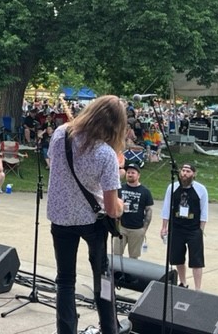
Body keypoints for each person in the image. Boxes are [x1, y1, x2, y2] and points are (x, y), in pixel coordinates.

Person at [47, 95, 127, 334]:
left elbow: (55, 164)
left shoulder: (60, 134)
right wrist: (121, 205)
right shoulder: (105, 153)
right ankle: (110, 328)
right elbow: (112, 209)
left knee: (65, 280)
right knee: (102, 277)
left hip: (60, 216)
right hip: (92, 221)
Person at [160, 163, 208, 290]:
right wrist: (164, 227)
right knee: (177, 258)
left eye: (188, 171)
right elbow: (166, 208)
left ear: (194, 174)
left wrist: (201, 230)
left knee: (196, 261)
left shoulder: (201, 189)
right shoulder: (172, 187)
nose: (185, 173)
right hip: (177, 228)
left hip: (193, 229)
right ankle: (183, 282)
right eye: (183, 170)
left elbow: (204, 212)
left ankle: (198, 288)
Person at [114, 164, 154, 259]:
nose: (130, 174)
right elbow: (114, 204)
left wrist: (144, 229)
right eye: (128, 172)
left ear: (138, 175)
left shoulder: (145, 191)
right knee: (116, 255)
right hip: (121, 227)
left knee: (134, 257)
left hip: (137, 229)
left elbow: (148, 210)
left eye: (133, 173)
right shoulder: (120, 189)